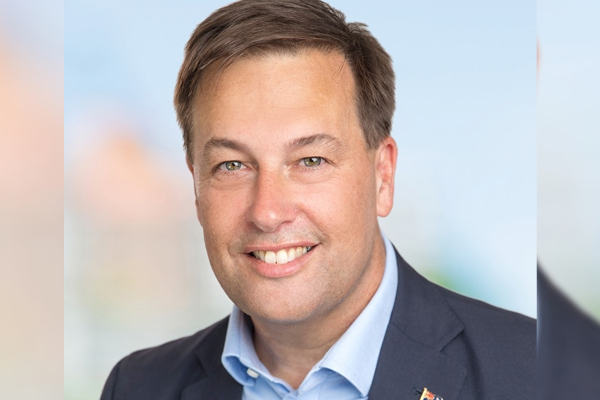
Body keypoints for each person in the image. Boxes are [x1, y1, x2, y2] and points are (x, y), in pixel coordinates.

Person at [100, 1, 535, 399]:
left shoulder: (536, 374)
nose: (268, 212)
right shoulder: (138, 387)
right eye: (232, 165)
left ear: (383, 176)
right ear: (196, 189)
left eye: (311, 160)